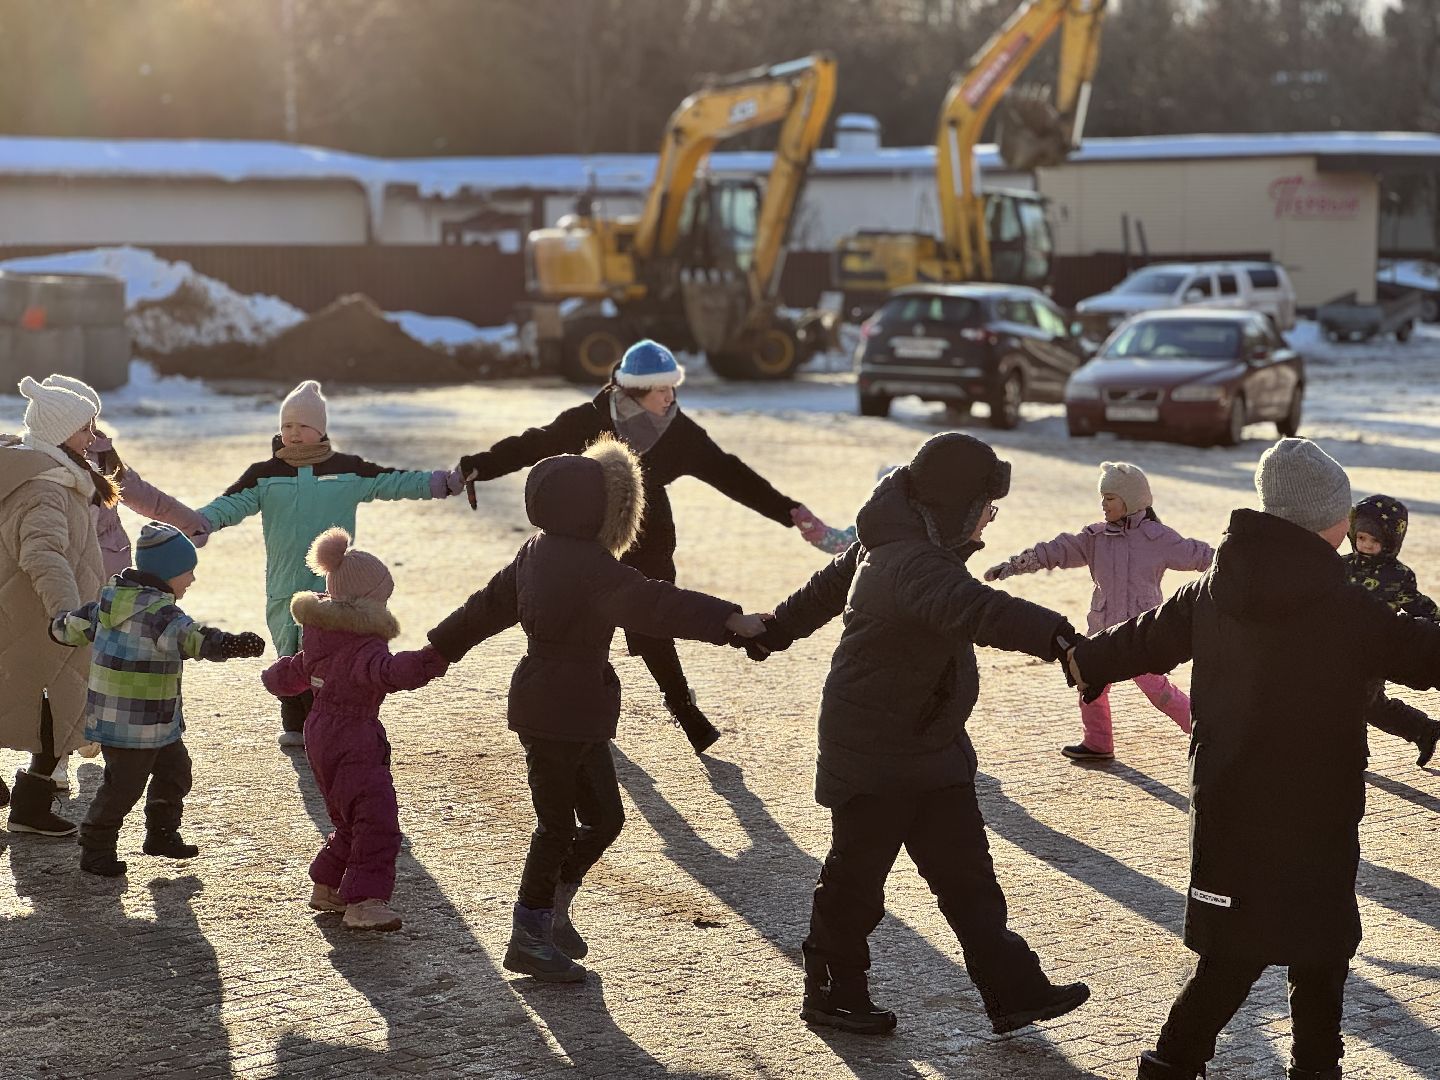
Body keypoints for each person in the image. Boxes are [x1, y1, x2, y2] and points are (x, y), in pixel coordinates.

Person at [1068, 438, 1440, 1080]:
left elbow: (1143, 638)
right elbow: (1420, 653)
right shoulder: (1347, 606)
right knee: (1321, 947)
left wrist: (1082, 658)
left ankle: (1174, 1062)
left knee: (1232, 952)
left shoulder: (1216, 588)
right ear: (1325, 522)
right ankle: (1316, 1067)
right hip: (1317, 812)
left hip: (1230, 804)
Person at [749, 432, 1090, 1037]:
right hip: (875, 749)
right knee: (856, 884)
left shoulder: (894, 543)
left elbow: (820, 594)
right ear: (956, 505)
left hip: (927, 745)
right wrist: (1060, 638)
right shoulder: (913, 563)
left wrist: (772, 631)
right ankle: (831, 991)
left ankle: (1015, 991)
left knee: (968, 879)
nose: (992, 515)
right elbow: (979, 609)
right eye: (986, 503)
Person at [428, 435, 767, 982]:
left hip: (567, 708)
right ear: (593, 509)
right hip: (559, 710)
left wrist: (439, 648)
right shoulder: (588, 565)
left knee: (605, 818)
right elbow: (659, 603)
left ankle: (552, 911)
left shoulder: (536, 552)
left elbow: (483, 607)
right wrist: (732, 621)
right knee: (556, 827)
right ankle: (528, 934)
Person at [456, 339, 826, 754]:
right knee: (583, 626)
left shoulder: (679, 432)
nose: (671, 397)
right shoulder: (590, 419)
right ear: (633, 391)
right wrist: (480, 466)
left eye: (673, 388)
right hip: (588, 536)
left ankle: (684, 708)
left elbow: (730, 473)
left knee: (653, 622)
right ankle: (585, 716)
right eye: (661, 390)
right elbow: (533, 443)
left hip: (648, 534)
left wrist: (790, 511)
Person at [196, 379, 462, 749]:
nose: (293, 433)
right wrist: (201, 523)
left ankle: (329, 723)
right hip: (284, 585)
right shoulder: (264, 474)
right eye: (287, 426)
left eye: (302, 426)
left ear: (320, 430)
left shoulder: (347, 470)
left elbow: (393, 481)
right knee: (289, 652)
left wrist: (439, 483)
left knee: (331, 654)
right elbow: (230, 504)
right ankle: (294, 724)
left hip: (335, 589)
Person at [261, 528, 450, 932]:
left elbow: (293, 672)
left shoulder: (320, 638)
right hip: (353, 737)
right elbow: (389, 673)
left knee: (351, 817)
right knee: (377, 820)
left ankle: (327, 884)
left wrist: (276, 677)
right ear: (367, 601)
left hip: (320, 735)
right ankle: (365, 901)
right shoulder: (363, 644)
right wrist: (433, 658)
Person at [51, 523, 265, 876]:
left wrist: (56, 627)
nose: (192, 580)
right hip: (134, 725)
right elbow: (194, 639)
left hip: (148, 720)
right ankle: (96, 845)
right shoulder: (163, 615)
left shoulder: (107, 602)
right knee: (123, 786)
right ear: (167, 573)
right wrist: (230, 644)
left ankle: (161, 833)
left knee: (175, 770)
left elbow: (70, 627)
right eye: (188, 572)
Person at [36, 373, 212, 793]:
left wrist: (189, 521)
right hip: (71, 577)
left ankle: (90, 729)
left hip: (113, 583)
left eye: (93, 422)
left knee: (102, 663)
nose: (92, 432)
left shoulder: (101, 454)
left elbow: (145, 496)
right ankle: (52, 759)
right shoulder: (48, 469)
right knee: (66, 666)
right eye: (84, 424)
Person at [984, 461, 1213, 761]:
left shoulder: (1158, 538)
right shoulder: (1095, 539)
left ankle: (1205, 735)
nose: (1103, 504)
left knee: (1160, 691)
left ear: (1129, 500)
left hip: (1141, 635)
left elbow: (1199, 556)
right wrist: (1014, 565)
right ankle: (1097, 742)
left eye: (1110, 498)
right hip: (1103, 631)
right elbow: (1057, 550)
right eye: (1102, 497)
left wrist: (1234, 564)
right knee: (1090, 682)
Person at [0, 376, 110, 836]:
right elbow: (42, 553)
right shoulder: (45, 486)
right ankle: (30, 806)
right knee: (52, 710)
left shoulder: (45, 472)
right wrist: (68, 613)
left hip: (30, 618)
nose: (93, 437)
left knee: (34, 705)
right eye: (86, 428)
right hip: (45, 621)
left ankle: (27, 802)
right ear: (61, 432)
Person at [1341, 493, 1440, 768]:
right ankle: (1424, 728)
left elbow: (1415, 602)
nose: (1367, 545)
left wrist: (1435, 619)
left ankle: (1353, 758)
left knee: (1358, 702)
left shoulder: (1397, 575)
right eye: (1361, 538)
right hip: (1339, 646)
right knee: (1370, 705)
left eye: (1375, 541)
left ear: (1390, 543)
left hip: (1375, 649)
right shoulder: (1342, 565)